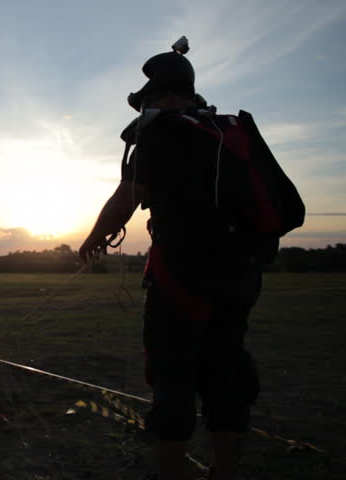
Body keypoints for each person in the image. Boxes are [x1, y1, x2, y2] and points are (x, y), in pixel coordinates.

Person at [79, 42, 262, 480]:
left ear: (164, 96)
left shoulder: (161, 134)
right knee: (226, 370)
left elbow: (129, 196)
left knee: (173, 376)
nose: (147, 105)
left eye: (149, 98)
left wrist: (94, 237)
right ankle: (227, 469)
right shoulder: (227, 134)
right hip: (239, 276)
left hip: (181, 278)